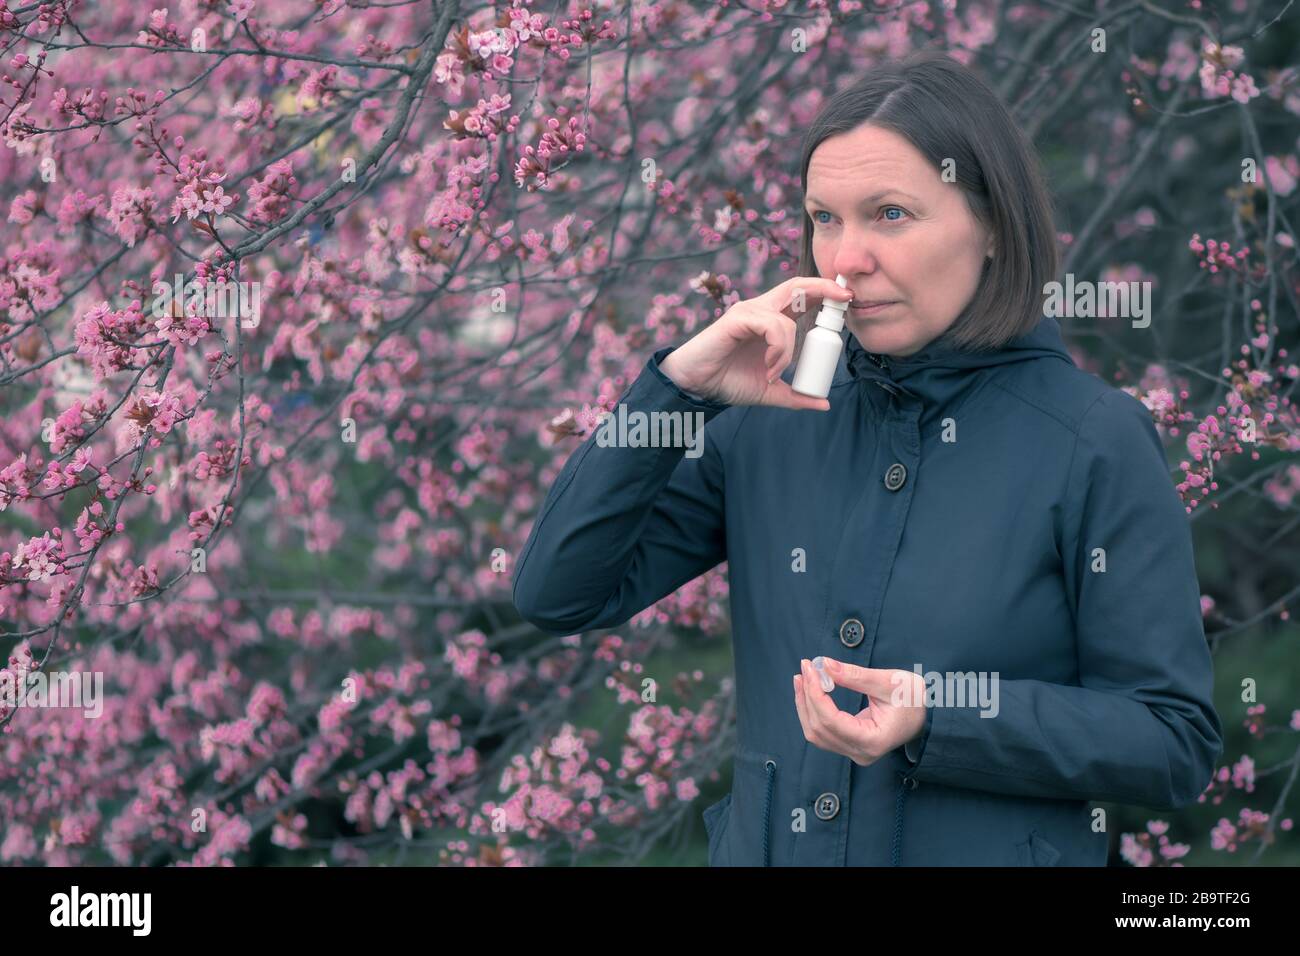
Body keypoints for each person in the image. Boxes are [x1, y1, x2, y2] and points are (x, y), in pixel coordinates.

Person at [512, 50, 1223, 866]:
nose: (845, 258)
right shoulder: (772, 417)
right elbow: (559, 593)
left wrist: (939, 714)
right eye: (825, 218)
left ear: (992, 223)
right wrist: (677, 389)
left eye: (889, 214)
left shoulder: (1091, 439)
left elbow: (1172, 740)